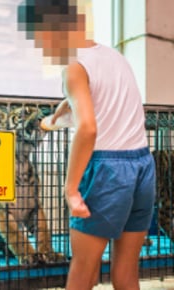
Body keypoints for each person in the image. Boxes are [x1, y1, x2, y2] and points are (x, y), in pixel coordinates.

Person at [18, 1, 156, 289]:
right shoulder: (113, 56)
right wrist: (59, 112)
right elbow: (95, 95)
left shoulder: (73, 67)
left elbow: (88, 128)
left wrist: (71, 189)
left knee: (83, 273)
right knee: (126, 274)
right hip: (143, 165)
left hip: (108, 170)